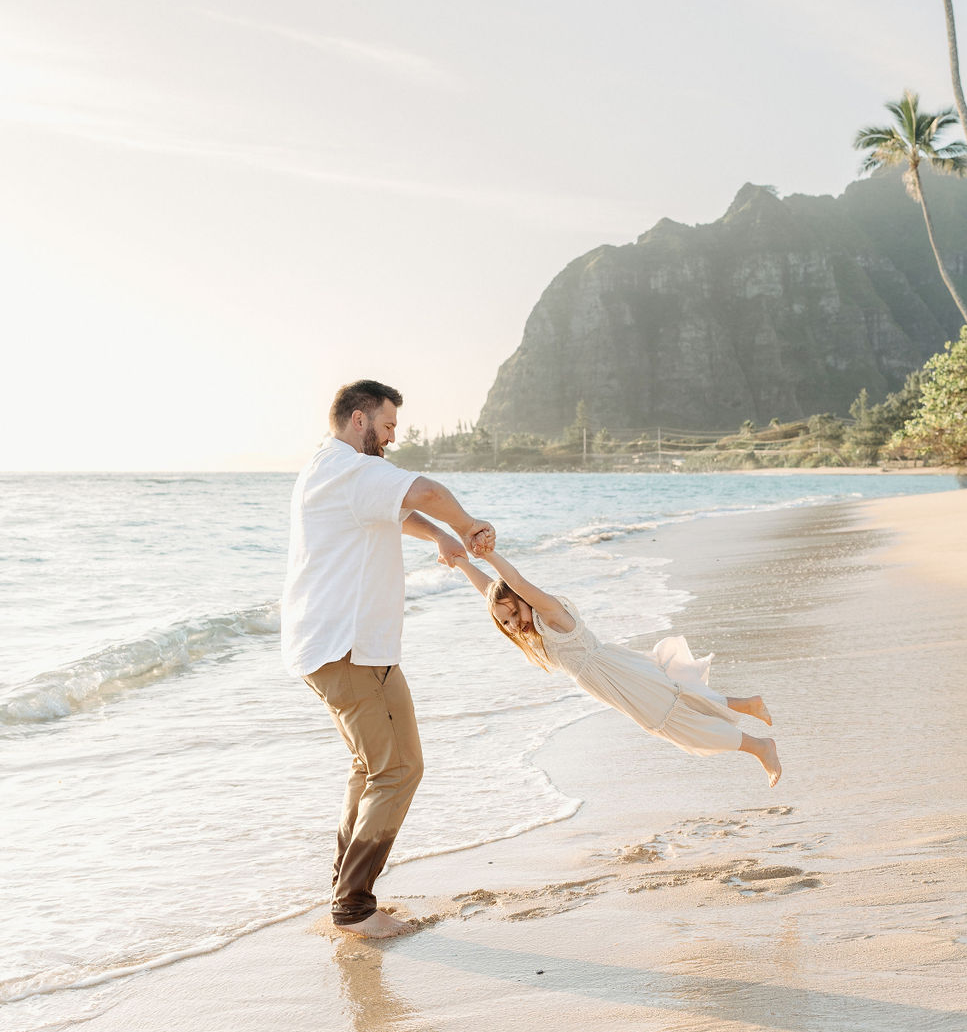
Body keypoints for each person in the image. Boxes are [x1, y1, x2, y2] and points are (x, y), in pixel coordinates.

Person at [282, 379, 495, 939]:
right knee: (395, 770)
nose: (394, 436)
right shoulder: (347, 468)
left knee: (376, 768)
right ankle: (352, 907)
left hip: (357, 649)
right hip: (345, 650)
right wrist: (467, 526)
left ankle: (344, 887)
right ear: (359, 419)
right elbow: (424, 491)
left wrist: (439, 541)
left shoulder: (335, 470)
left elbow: (396, 511)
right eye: (389, 425)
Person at [449, 546, 781, 787]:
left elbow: (516, 584)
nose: (511, 626)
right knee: (678, 703)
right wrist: (463, 564)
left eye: (512, 615)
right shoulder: (532, 630)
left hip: (616, 673)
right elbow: (493, 594)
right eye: (504, 623)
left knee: (673, 720)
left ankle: (759, 747)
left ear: (525, 600)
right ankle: (748, 705)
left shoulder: (549, 613)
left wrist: (488, 554)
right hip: (613, 678)